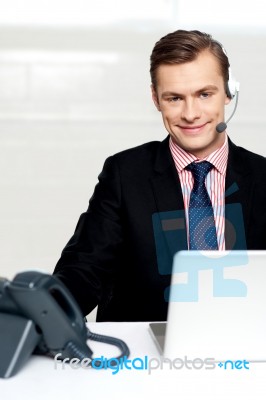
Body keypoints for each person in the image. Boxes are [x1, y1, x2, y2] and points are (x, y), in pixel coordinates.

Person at [53, 29, 266, 322]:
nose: (191, 114)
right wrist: (43, 312)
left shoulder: (263, 177)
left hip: (246, 348)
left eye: (204, 94)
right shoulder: (124, 174)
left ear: (229, 93)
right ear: (155, 98)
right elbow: (86, 269)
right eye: (175, 98)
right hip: (144, 355)